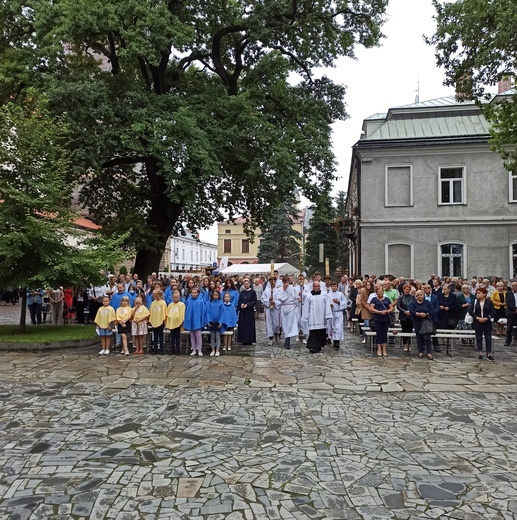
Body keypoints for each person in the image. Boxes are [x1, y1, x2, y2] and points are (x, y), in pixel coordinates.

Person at [302, 280, 332, 353]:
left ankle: (319, 345)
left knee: (321, 331)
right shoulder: (309, 295)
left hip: (321, 316)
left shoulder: (324, 294)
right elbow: (306, 306)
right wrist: (306, 316)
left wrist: (327, 314)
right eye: (316, 286)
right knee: (313, 331)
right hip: (313, 316)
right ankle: (313, 346)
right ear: (313, 287)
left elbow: (327, 305)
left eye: (319, 286)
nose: (318, 287)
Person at [469, 287, 494, 361]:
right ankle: (480, 353)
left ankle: (488, 353)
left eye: (479, 293)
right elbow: (470, 311)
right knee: (478, 338)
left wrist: (487, 318)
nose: (478, 294)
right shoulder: (475, 301)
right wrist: (477, 318)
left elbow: (493, 312)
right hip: (477, 322)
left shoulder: (489, 302)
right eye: (477, 293)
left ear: (484, 294)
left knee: (488, 338)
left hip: (487, 322)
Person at [368, 285, 394, 357]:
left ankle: (384, 349)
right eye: (378, 291)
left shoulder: (387, 299)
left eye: (381, 291)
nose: (380, 293)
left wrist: (387, 311)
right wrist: (379, 312)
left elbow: (391, 307)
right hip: (377, 318)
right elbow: (371, 308)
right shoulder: (374, 299)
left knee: (384, 333)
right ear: (376, 292)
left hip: (385, 318)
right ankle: (379, 348)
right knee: (378, 333)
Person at [410, 290, 435, 360]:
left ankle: (429, 352)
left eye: (421, 294)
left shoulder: (427, 303)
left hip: (426, 321)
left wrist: (426, 314)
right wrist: (418, 314)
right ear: (416, 296)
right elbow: (411, 311)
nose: (420, 296)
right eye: (418, 295)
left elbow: (432, 311)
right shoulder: (413, 303)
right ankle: (420, 351)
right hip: (417, 321)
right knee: (419, 337)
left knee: (427, 337)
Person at [276, 276, 299, 350]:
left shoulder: (293, 289)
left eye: (287, 282)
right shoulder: (279, 289)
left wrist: (294, 305)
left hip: (290, 307)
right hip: (283, 307)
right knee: (284, 324)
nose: (286, 284)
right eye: (285, 282)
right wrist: (284, 291)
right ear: (282, 282)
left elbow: (295, 298)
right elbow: (279, 298)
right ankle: (286, 337)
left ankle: (287, 340)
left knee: (289, 324)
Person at [184, 287, 206, 356]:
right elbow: (187, 310)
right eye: (192, 292)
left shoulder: (200, 301)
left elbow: (203, 312)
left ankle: (199, 349)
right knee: (192, 336)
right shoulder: (188, 301)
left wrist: (202, 321)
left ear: (198, 293)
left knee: (198, 336)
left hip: (198, 321)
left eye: (195, 293)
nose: (193, 294)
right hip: (191, 320)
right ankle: (193, 349)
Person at [327, 281, 348, 349]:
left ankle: (337, 341)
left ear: (337, 287)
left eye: (335, 286)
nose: (334, 287)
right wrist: (329, 306)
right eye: (333, 286)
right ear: (331, 287)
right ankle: (333, 340)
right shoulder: (328, 295)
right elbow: (326, 303)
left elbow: (345, 303)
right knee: (332, 327)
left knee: (338, 327)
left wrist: (339, 302)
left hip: (339, 312)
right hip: (332, 312)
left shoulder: (340, 294)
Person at [396, 283, 416, 351]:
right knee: (404, 330)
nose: (407, 291)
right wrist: (404, 311)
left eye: (408, 289)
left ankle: (409, 344)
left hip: (410, 316)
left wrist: (410, 311)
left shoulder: (413, 297)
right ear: (403, 290)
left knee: (410, 330)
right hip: (403, 316)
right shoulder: (401, 297)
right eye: (406, 289)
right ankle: (404, 343)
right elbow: (398, 306)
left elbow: (414, 305)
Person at [165, 289, 185, 355]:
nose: (175, 298)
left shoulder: (181, 305)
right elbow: (168, 313)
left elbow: (182, 313)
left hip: (178, 323)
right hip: (171, 323)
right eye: (174, 297)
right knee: (172, 337)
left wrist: (181, 321)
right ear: (172, 297)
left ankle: (178, 349)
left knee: (178, 337)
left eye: (177, 297)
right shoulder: (170, 305)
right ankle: (172, 349)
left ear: (179, 298)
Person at [237, 279, 257, 345]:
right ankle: (243, 339)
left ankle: (249, 340)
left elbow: (254, 301)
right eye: (244, 284)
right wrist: (241, 304)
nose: (246, 285)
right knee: (243, 325)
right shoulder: (242, 292)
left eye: (247, 284)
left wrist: (247, 305)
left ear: (249, 284)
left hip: (249, 311)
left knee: (249, 325)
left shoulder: (253, 292)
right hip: (243, 312)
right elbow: (239, 300)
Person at [262, 277, 280, 346]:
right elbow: (263, 299)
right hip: (268, 309)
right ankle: (270, 338)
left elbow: (280, 299)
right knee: (269, 323)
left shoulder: (278, 290)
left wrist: (275, 302)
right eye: (271, 281)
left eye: (274, 281)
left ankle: (276, 333)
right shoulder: (266, 291)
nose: (272, 283)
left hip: (275, 308)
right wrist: (268, 301)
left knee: (276, 323)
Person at [206, 290, 224, 356]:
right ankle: (213, 350)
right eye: (214, 295)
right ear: (212, 296)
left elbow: (222, 313)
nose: (215, 296)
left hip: (218, 322)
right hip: (211, 322)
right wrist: (208, 321)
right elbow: (207, 313)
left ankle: (217, 350)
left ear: (219, 295)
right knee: (212, 337)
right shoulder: (209, 303)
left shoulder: (221, 303)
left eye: (217, 295)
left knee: (218, 337)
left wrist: (221, 322)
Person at [149, 289, 167, 355]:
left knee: (161, 336)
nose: (153, 295)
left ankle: (161, 349)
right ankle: (155, 348)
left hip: (160, 321)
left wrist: (163, 320)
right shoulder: (153, 303)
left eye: (154, 294)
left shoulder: (163, 302)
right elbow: (150, 312)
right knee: (155, 335)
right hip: (154, 321)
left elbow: (164, 312)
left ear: (158, 295)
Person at [504, 281, 517, 346]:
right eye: (512, 286)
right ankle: (508, 340)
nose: (513, 287)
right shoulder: (508, 293)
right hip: (511, 312)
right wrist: (515, 309)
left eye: (515, 286)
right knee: (509, 327)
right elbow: (508, 302)